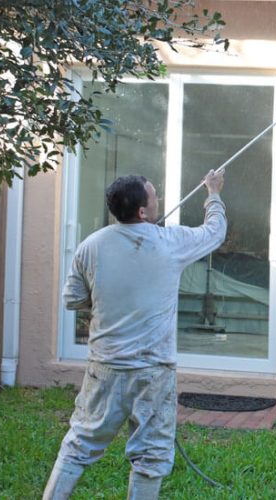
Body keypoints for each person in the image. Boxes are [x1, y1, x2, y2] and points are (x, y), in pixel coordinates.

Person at [43, 170, 227, 500]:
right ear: (143, 211)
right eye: (154, 196)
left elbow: (73, 299)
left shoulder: (91, 245)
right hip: (153, 372)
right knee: (151, 455)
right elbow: (215, 232)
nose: (158, 200)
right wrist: (213, 193)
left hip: (105, 369)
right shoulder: (169, 242)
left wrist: (104, 297)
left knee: (79, 444)